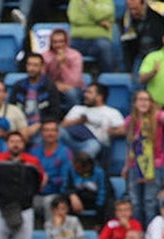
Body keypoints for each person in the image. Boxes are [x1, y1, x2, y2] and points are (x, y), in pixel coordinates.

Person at [59, 83, 126, 168]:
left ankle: (75, 168)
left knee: (93, 145)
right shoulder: (77, 108)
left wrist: (110, 131)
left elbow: (123, 130)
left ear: (99, 97)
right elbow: (61, 127)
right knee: (57, 131)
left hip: (94, 144)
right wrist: (78, 121)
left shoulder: (112, 112)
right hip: (72, 141)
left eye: (89, 92)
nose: (85, 95)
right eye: (85, 92)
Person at [124, 90, 162, 227]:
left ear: (151, 103)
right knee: (135, 202)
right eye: (140, 99)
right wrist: (126, 166)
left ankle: (150, 232)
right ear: (135, 103)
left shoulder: (157, 117)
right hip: (135, 165)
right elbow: (129, 146)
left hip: (155, 165)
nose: (143, 103)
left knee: (149, 201)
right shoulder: (130, 121)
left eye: (147, 100)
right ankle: (138, 231)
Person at [68, 0, 116, 74]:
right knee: (64, 47)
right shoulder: (75, 1)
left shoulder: (107, 1)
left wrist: (88, 2)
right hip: (77, 39)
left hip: (99, 39)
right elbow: (74, 18)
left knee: (104, 46)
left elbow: (104, 16)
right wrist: (98, 21)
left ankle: (108, 77)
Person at [43, 28, 86, 109]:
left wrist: (62, 65)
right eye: (55, 42)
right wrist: (55, 85)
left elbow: (74, 81)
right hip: (52, 87)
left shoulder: (75, 55)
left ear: (66, 42)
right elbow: (41, 78)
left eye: (61, 41)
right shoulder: (45, 56)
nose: (58, 45)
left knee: (71, 93)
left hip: (73, 88)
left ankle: (75, 116)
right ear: (51, 43)